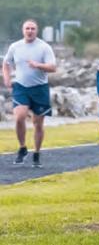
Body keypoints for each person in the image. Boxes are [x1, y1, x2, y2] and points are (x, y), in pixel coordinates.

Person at [4, 20, 57, 167]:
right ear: (23, 30)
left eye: (33, 28)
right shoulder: (15, 46)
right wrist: (7, 78)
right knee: (19, 117)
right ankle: (22, 148)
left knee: (37, 123)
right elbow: (6, 63)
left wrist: (38, 65)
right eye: (27, 28)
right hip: (21, 87)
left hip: (40, 88)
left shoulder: (44, 47)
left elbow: (53, 67)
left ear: (36, 31)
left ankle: (37, 153)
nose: (30, 31)